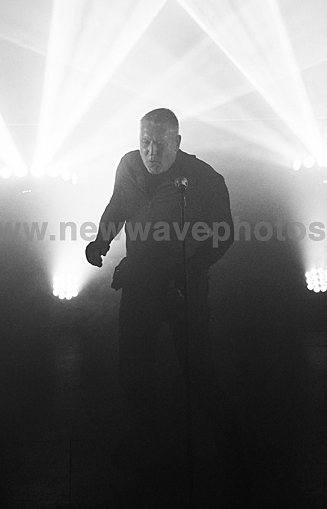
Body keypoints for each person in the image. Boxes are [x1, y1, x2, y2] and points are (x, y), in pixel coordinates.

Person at [85, 108, 236, 471]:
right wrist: (101, 240)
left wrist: (191, 270)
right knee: (132, 370)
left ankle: (231, 450)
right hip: (140, 285)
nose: (151, 152)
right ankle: (146, 439)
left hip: (184, 290)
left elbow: (225, 233)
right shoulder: (129, 166)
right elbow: (118, 206)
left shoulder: (203, 178)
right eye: (145, 143)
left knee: (199, 375)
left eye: (159, 144)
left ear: (177, 142)